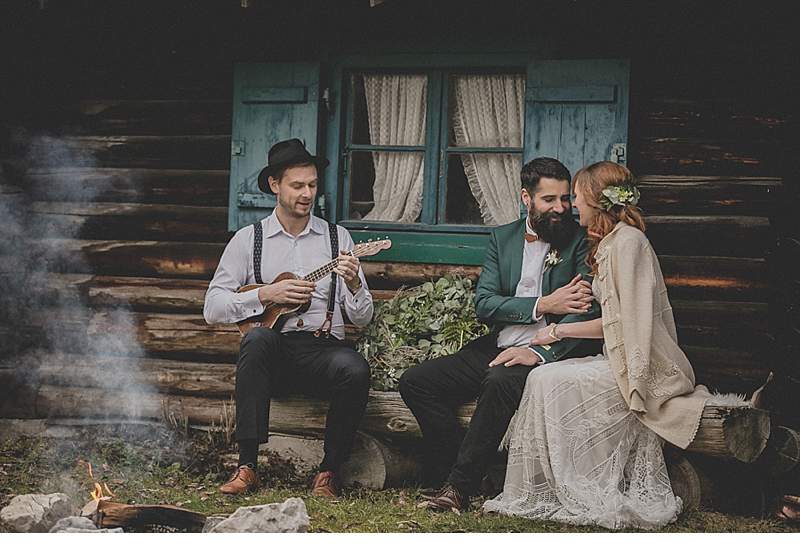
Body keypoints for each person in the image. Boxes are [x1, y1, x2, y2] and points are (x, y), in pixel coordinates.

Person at [483, 161, 711, 529]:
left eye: (576, 197)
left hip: (640, 364)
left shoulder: (629, 243)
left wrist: (559, 333)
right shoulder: (610, 243)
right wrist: (557, 332)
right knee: (545, 378)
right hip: (616, 354)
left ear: (595, 199)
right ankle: (557, 485)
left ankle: (582, 484)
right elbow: (614, 322)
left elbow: (629, 323)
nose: (572, 205)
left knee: (549, 380)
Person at [399, 157, 602, 512]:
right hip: (499, 343)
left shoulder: (580, 241)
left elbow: (584, 306)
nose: (561, 208)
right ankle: (458, 471)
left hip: (547, 352)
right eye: (549, 200)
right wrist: (543, 303)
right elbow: (485, 303)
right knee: (417, 381)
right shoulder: (503, 238)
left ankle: (458, 489)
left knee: (498, 381)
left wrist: (541, 351)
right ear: (527, 198)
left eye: (565, 199)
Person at [203, 138, 374, 498]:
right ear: (274, 186)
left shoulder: (336, 237)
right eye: (298, 185)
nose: (307, 193)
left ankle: (329, 471)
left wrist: (355, 282)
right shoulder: (249, 240)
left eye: (312, 185)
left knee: (355, 368)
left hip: (321, 351)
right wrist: (266, 294)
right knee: (256, 339)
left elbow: (364, 315)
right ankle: (247, 466)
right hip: (273, 356)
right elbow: (213, 307)